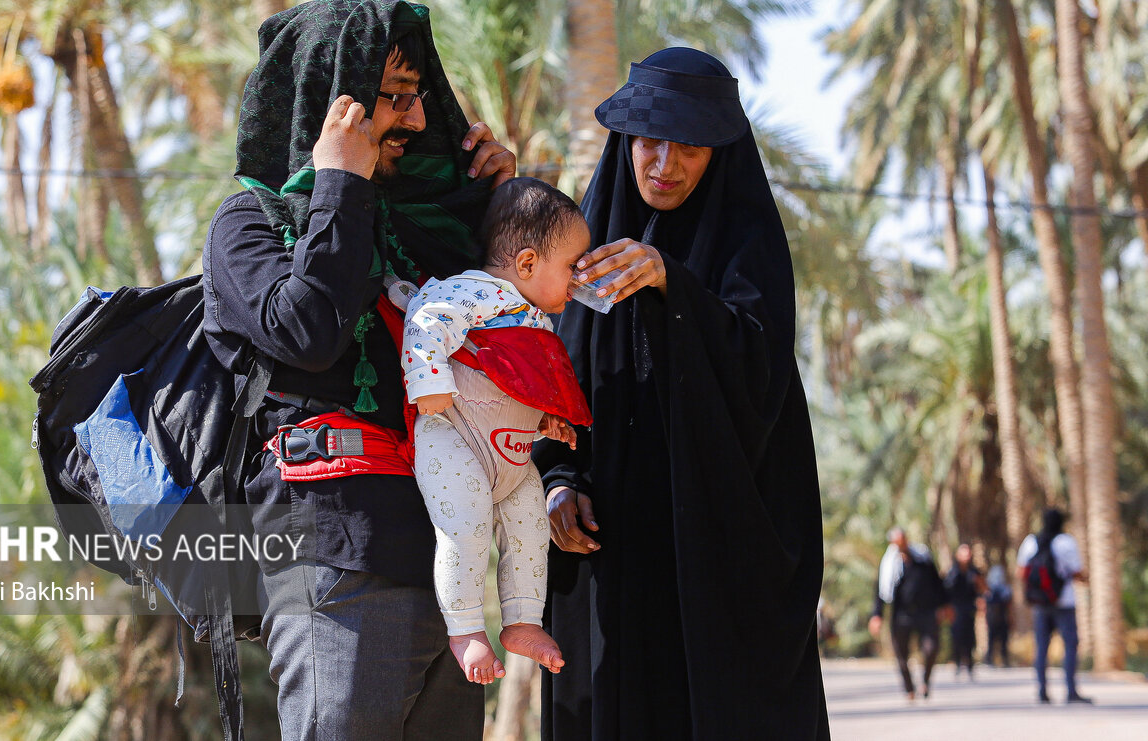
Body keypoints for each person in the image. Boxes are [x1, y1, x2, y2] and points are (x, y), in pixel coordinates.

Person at [203, 0, 517, 740]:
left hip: (448, 561)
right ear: (329, 98)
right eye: (393, 96)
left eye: (418, 94)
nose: (416, 118)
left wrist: (503, 206)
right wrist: (340, 185)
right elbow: (308, 330)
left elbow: (514, 343)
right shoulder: (248, 225)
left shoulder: (428, 227)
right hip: (335, 551)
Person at [536, 47, 829, 739]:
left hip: (711, 560)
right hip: (606, 551)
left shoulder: (748, 247)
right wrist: (558, 481)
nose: (664, 164)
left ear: (717, 155)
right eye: (649, 142)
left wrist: (673, 283)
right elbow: (552, 384)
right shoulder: (586, 242)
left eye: (689, 148)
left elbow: (760, 380)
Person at [403, 178, 593, 683]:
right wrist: (428, 380)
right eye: (571, 266)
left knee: (531, 528)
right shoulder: (476, 291)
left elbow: (519, 383)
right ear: (527, 263)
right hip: (453, 435)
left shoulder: (538, 321)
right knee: (465, 527)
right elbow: (426, 319)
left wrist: (546, 418)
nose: (579, 279)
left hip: (512, 456)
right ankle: (465, 628)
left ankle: (523, 621)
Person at [1017, 508, 1092, 705]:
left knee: (1042, 647)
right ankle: (1071, 690)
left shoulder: (1031, 541)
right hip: (1064, 602)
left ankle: (1042, 691)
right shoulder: (1066, 542)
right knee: (1070, 645)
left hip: (1040, 603)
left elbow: (1021, 571)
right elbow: (1076, 571)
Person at [869, 527, 948, 700]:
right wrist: (877, 615)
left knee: (931, 648)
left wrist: (944, 605)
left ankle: (925, 681)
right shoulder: (889, 564)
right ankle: (909, 688)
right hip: (901, 615)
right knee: (901, 654)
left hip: (926, 612)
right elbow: (881, 591)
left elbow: (937, 583)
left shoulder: (923, 559)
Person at [943, 542, 985, 678]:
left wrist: (981, 599)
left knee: (969, 636)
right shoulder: (952, 572)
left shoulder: (974, 572)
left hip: (969, 608)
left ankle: (970, 663)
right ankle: (957, 662)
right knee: (956, 636)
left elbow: (982, 589)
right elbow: (946, 591)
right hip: (955, 608)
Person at [984, 564, 1013, 667]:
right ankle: (991, 659)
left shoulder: (1004, 589)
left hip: (1000, 616)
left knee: (1002, 639)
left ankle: (1003, 659)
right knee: (993, 639)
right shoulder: (990, 589)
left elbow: (1008, 604)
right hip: (994, 617)